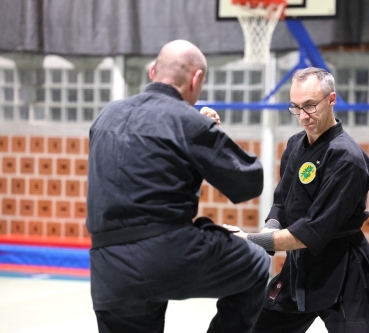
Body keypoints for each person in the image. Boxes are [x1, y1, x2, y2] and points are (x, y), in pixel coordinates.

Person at [86, 39, 270, 333]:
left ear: (152, 72)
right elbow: (248, 181)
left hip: (108, 268)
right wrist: (207, 133)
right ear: (196, 79)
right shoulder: (188, 122)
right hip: (167, 255)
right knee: (257, 262)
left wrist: (194, 130)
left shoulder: (106, 116)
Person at [225, 67, 369, 333]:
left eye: (311, 106)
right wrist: (269, 230)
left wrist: (251, 239)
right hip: (301, 268)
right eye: (296, 107)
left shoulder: (347, 159)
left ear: (332, 99)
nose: (303, 116)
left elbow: (312, 231)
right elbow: (281, 203)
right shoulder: (295, 146)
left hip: (345, 273)